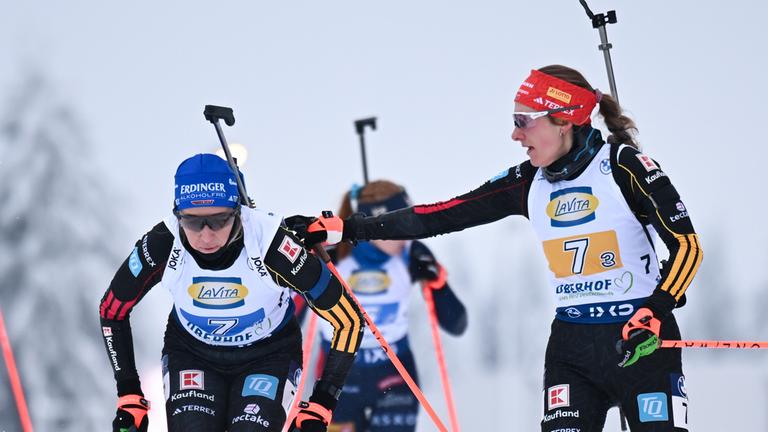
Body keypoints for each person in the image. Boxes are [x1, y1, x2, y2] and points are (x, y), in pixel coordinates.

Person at [295, 65, 702, 431]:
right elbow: (440, 215)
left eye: (524, 121)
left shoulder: (623, 165)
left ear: (564, 120)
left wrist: (656, 308)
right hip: (572, 346)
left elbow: (686, 246)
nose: (515, 134)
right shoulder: (529, 181)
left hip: (642, 338)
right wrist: (346, 229)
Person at [99, 153, 364, 432]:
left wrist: (322, 403)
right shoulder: (162, 244)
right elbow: (111, 311)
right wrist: (128, 393)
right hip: (192, 354)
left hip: (268, 356)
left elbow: (348, 320)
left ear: (238, 211)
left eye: (218, 221)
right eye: (192, 222)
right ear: (177, 215)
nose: (206, 235)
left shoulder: (271, 245)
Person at [293, 180, 467, 432]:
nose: (409, 233)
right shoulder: (328, 253)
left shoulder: (412, 253)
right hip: (338, 376)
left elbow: (456, 324)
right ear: (378, 223)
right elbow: (289, 319)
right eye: (402, 223)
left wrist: (438, 283)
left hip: (394, 374)